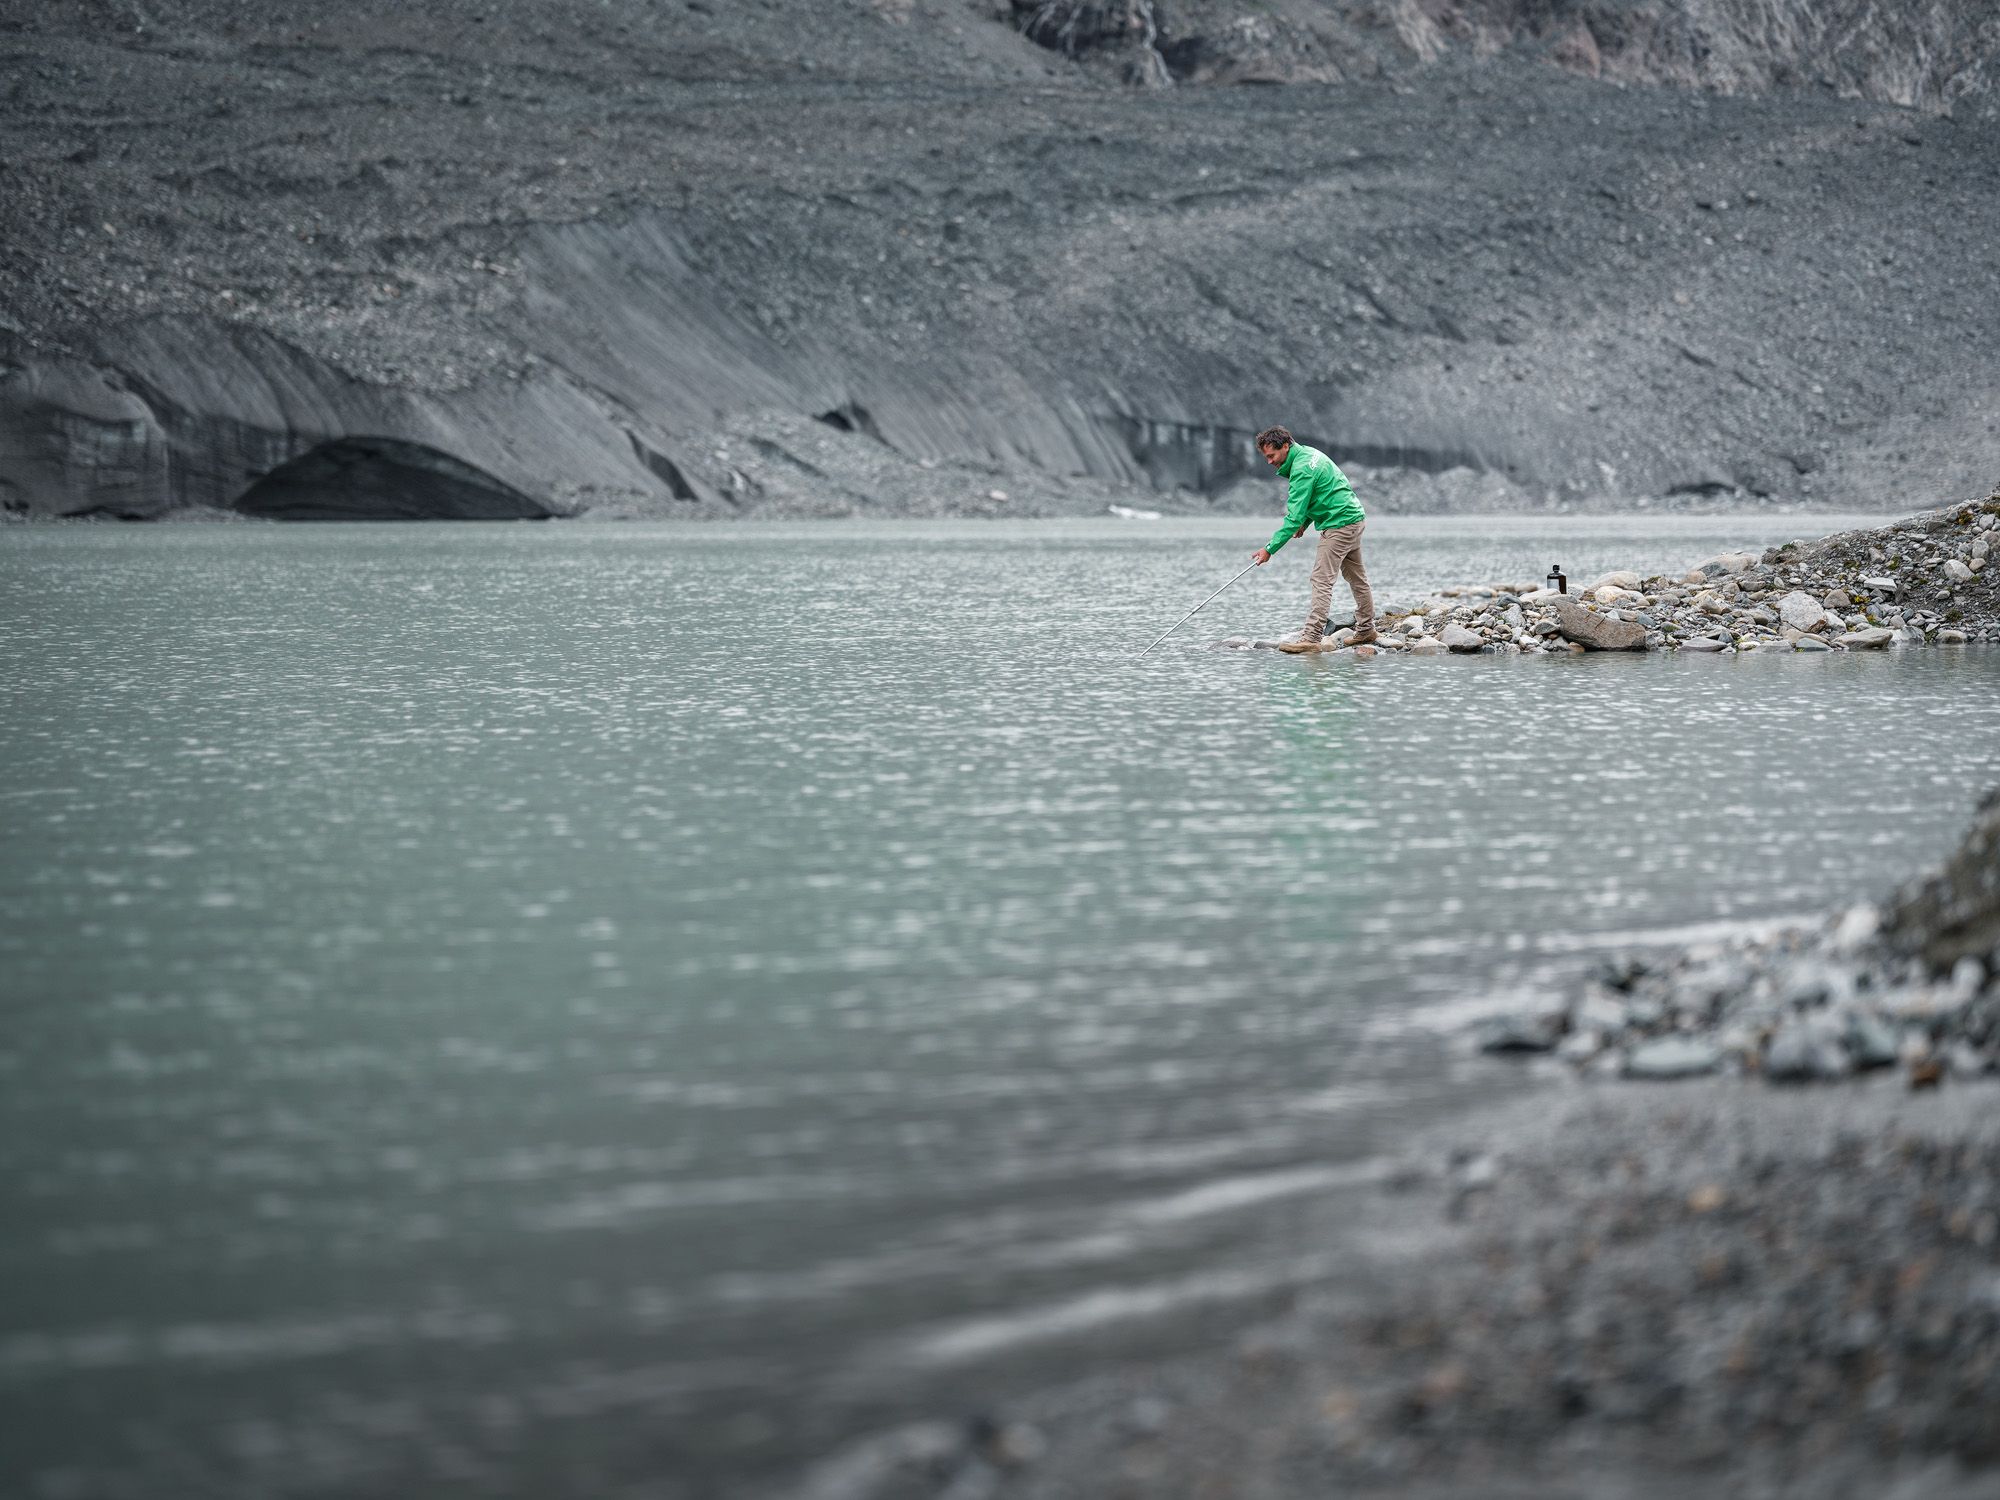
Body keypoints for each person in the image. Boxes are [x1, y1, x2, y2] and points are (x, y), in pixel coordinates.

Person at [1249, 426, 1376, 649]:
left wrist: (1269, 549)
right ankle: (1366, 630)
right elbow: (1318, 494)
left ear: (1286, 446)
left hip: (1339, 524)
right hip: (1354, 518)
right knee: (1356, 576)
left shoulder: (1301, 469)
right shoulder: (1308, 453)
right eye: (1266, 457)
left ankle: (1311, 638)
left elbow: (1294, 515)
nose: (1269, 462)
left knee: (1321, 580)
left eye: (1272, 456)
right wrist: (1304, 523)